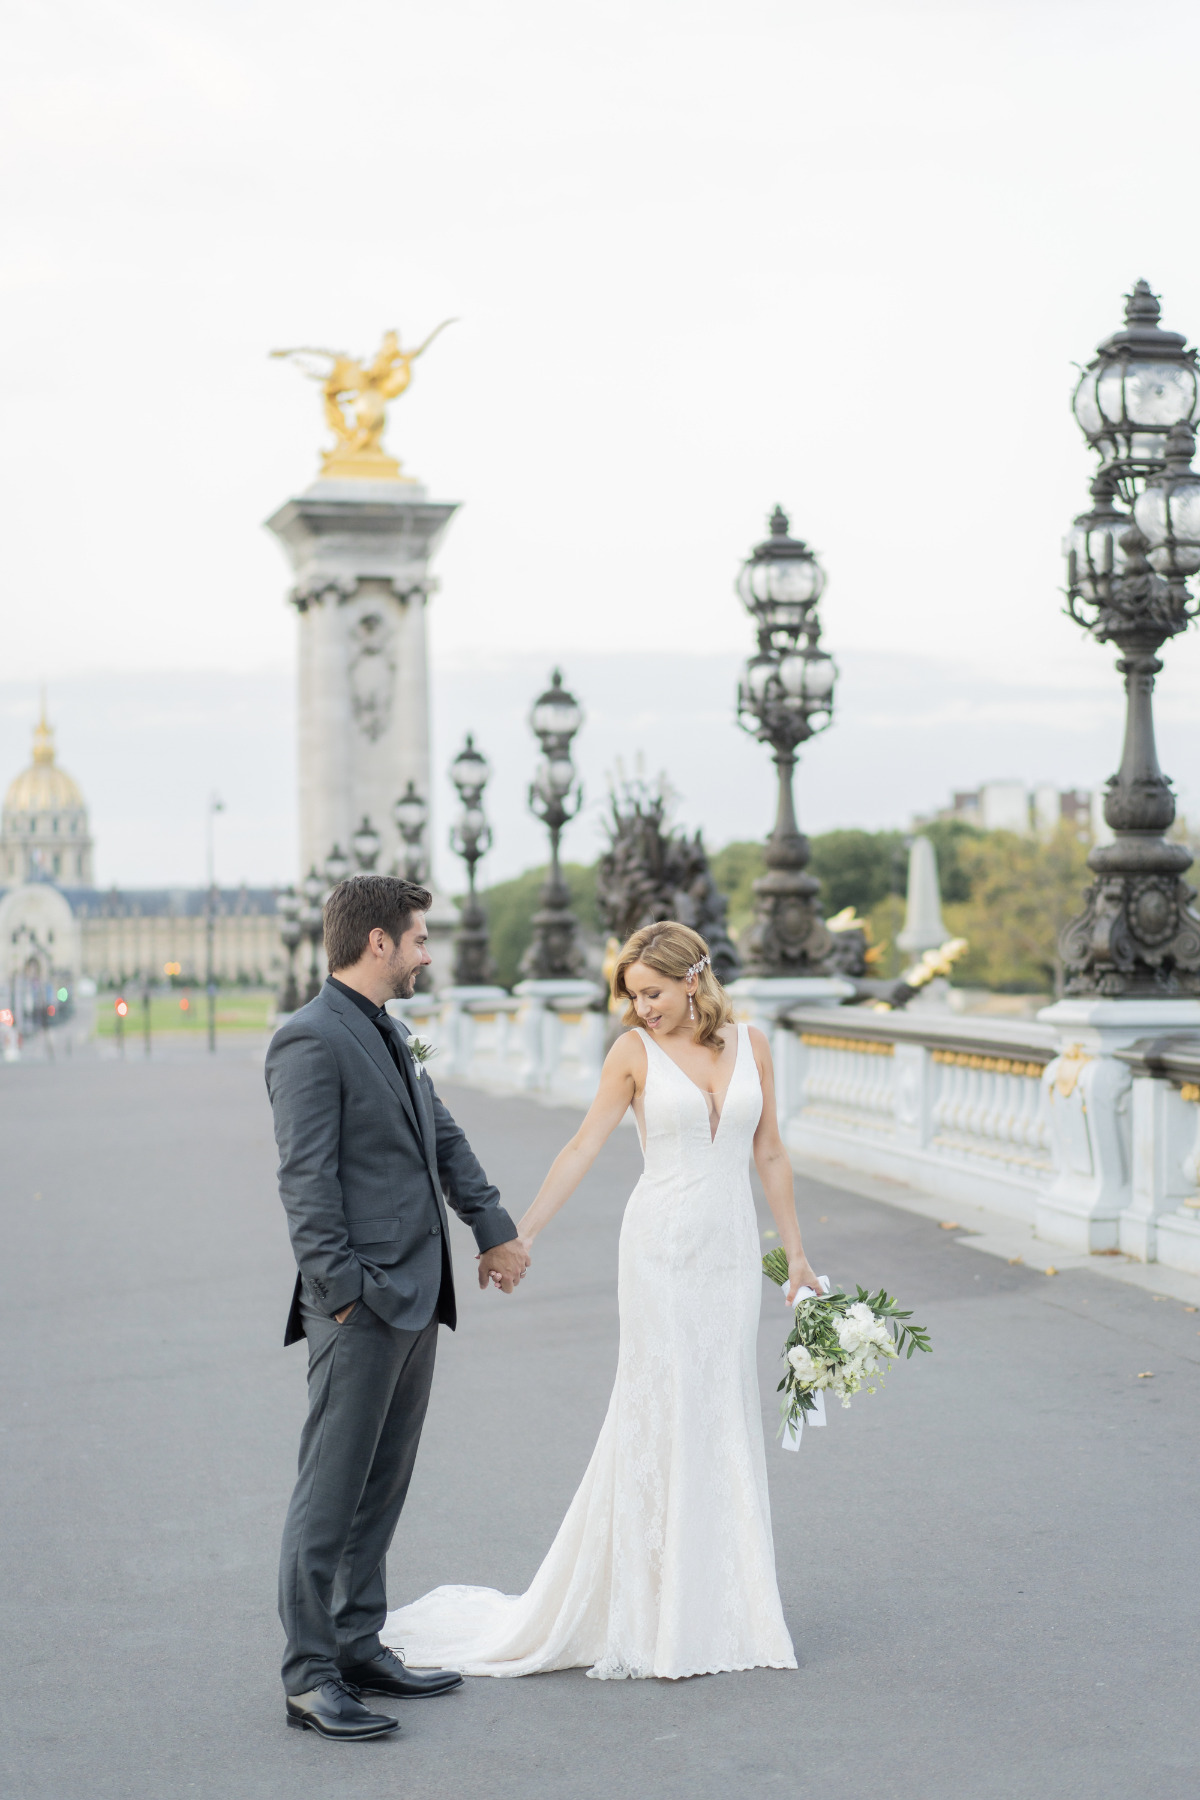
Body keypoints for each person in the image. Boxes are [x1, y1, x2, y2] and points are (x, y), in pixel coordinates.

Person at [384, 920, 821, 1681]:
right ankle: (653, 1610)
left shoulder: (753, 1045)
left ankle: (726, 1603)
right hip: (658, 1251)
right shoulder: (631, 1054)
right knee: (661, 1404)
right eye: (632, 996)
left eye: (652, 993)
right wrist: (519, 1235)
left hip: (727, 1253)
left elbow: (771, 1151)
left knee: (721, 1404)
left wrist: (798, 1257)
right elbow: (583, 1144)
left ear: (694, 979)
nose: (642, 1009)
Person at [265, 876, 529, 1739]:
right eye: (418, 939)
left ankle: (356, 1643)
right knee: (328, 1496)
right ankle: (309, 1676)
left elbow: (441, 1137)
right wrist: (341, 1297)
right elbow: (305, 1184)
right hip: (363, 1305)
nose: (426, 954)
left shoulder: (390, 1029)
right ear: (378, 942)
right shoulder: (308, 1040)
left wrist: (493, 1228)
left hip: (418, 1294)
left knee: (381, 1486)